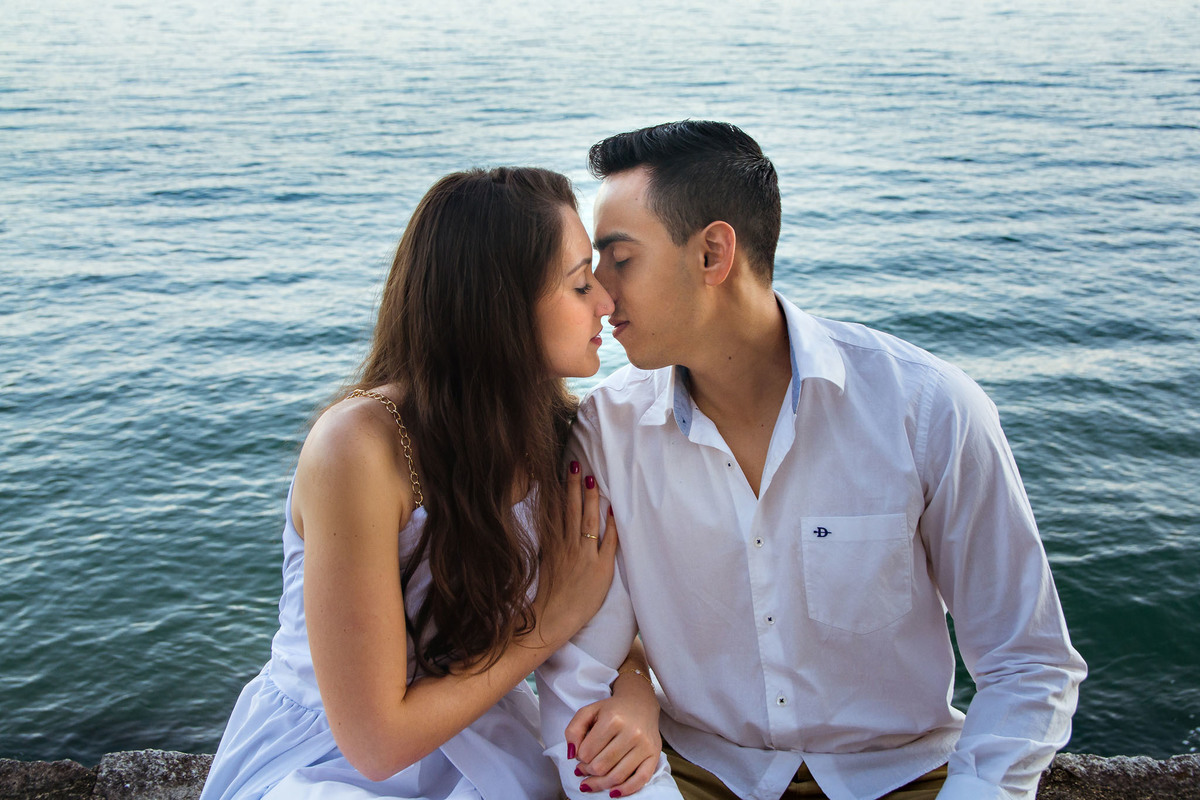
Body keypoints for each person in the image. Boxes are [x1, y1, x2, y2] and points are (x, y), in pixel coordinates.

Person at [536, 122, 1087, 800]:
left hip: (902, 775)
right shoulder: (606, 433)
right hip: (696, 773)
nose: (602, 295)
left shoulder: (928, 409)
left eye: (620, 259)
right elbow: (583, 673)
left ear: (713, 253)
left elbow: (1026, 661)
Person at [201, 167, 663, 800]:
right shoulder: (359, 449)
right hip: (328, 761)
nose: (606, 303)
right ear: (497, 305)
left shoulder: (561, 436)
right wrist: (548, 625)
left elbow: (606, 611)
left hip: (483, 739)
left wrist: (637, 695)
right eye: (581, 283)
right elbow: (376, 743)